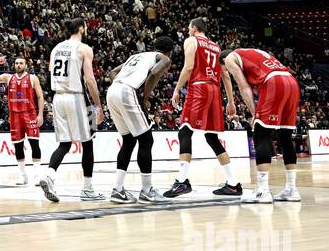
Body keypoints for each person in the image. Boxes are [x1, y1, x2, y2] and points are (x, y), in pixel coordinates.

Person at [163, 18, 241, 198]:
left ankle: (182, 181)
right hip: (214, 90)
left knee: (185, 131)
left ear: (194, 28)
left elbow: (189, 67)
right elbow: (226, 76)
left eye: (189, 26)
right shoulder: (216, 47)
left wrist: (176, 89)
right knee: (212, 137)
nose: (187, 29)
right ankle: (233, 184)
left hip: (199, 87)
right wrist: (230, 101)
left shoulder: (191, 41)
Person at [222, 47, 302, 203]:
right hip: (291, 82)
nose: (227, 73)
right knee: (285, 136)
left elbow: (244, 87)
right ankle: (292, 189)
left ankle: (263, 191)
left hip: (274, 82)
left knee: (261, 133)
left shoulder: (229, 59)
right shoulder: (251, 52)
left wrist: (254, 114)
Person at [39, 18, 105, 202]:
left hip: (58, 97)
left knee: (64, 144)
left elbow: (50, 74)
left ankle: (49, 175)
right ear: (82, 29)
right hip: (76, 96)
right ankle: (87, 189)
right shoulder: (84, 49)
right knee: (88, 142)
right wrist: (98, 105)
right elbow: (90, 81)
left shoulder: (56, 48)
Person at [104, 37, 174, 203]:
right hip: (127, 91)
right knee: (146, 139)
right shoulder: (164, 58)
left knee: (128, 141)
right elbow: (155, 73)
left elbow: (113, 72)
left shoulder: (137, 56)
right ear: (169, 51)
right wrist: (145, 97)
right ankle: (147, 190)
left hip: (113, 91)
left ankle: (118, 189)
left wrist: (122, 86)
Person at [0, 54, 45, 185]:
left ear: (26, 65)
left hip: (29, 114)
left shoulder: (32, 78)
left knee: (34, 144)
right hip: (14, 116)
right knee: (18, 147)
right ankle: (23, 175)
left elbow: (40, 97)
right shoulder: (8, 77)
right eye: (17, 63)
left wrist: (40, 114)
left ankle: (37, 175)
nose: (18, 65)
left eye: (21, 63)